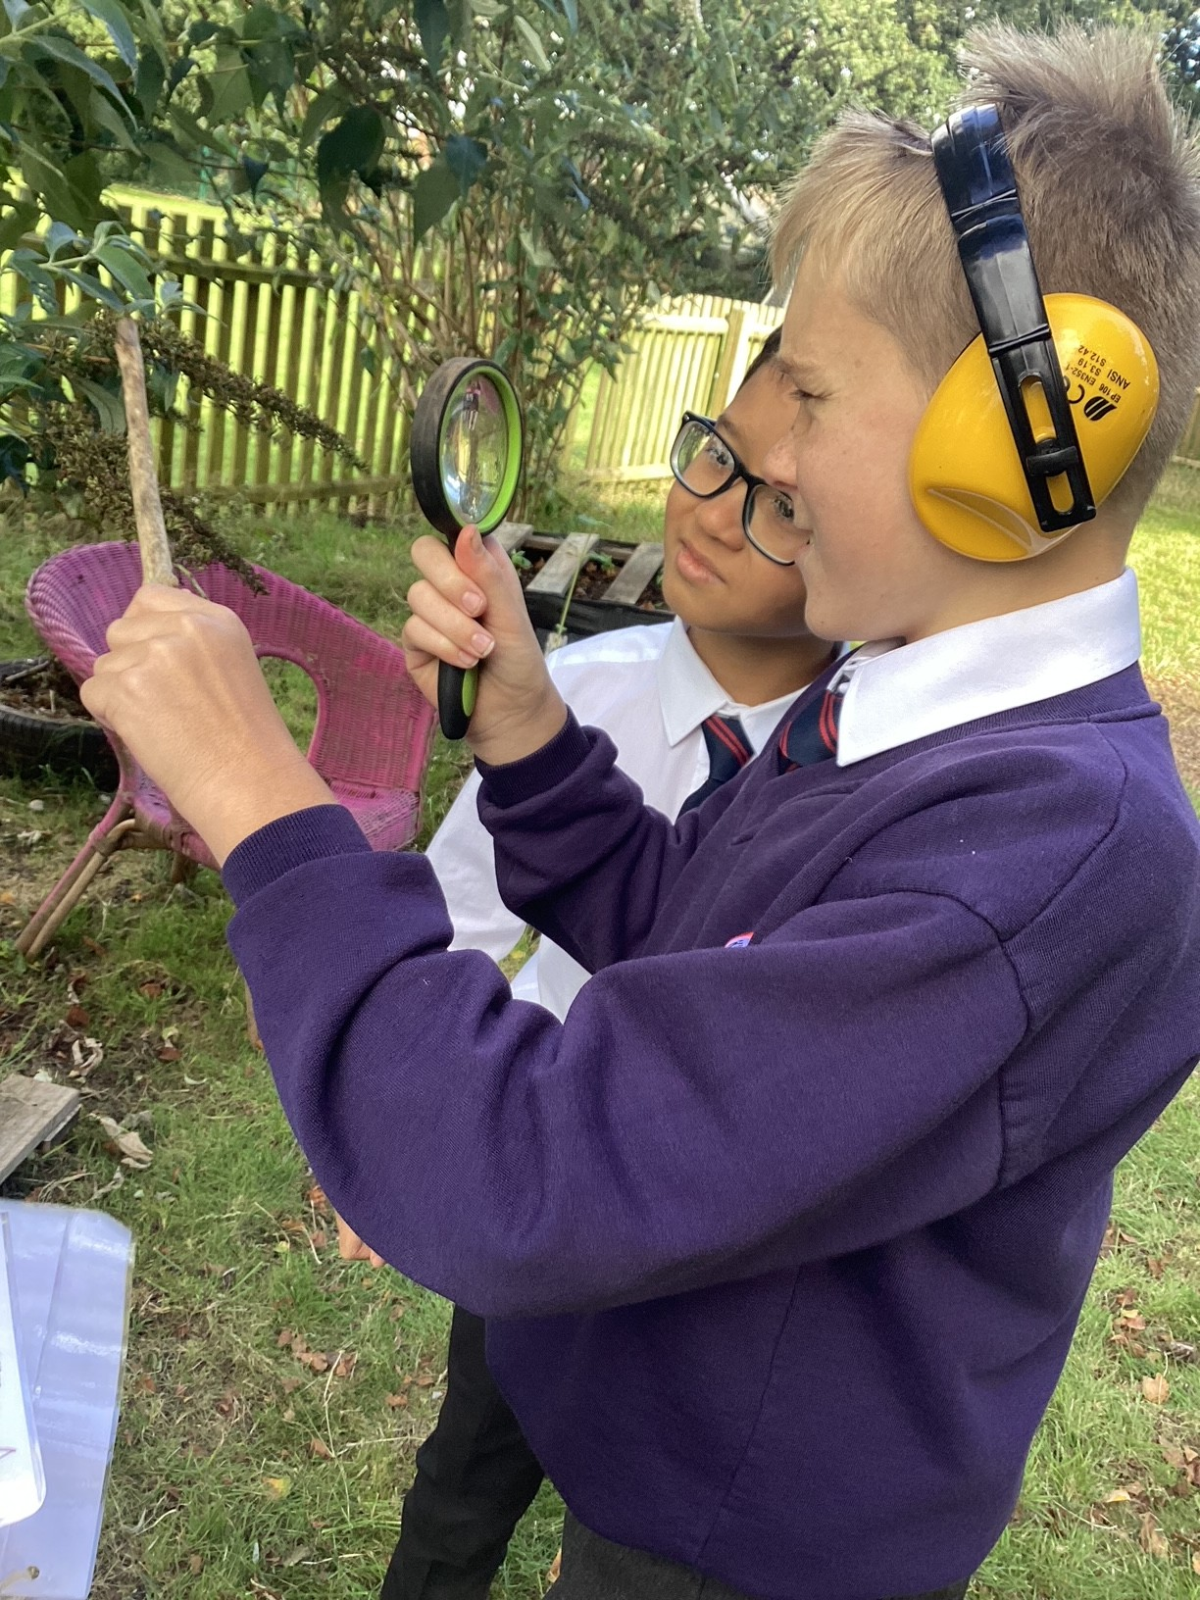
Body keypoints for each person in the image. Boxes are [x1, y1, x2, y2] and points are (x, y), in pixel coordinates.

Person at [82, 24, 1200, 1600]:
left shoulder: (1047, 855)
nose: (772, 459)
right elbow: (697, 931)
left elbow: (530, 1166)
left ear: (1029, 439)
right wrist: (531, 736)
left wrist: (267, 804)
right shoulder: (909, 708)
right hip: (653, 1436)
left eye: (813, 393)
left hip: (736, 1550)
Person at [384, 328, 838, 1600]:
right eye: (713, 456)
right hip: (543, 1177)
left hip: (711, 1252)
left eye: (782, 505)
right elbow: (462, 918)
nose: (714, 512)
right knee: (462, 1479)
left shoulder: (861, 768)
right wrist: (423, 1124)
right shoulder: (566, 693)